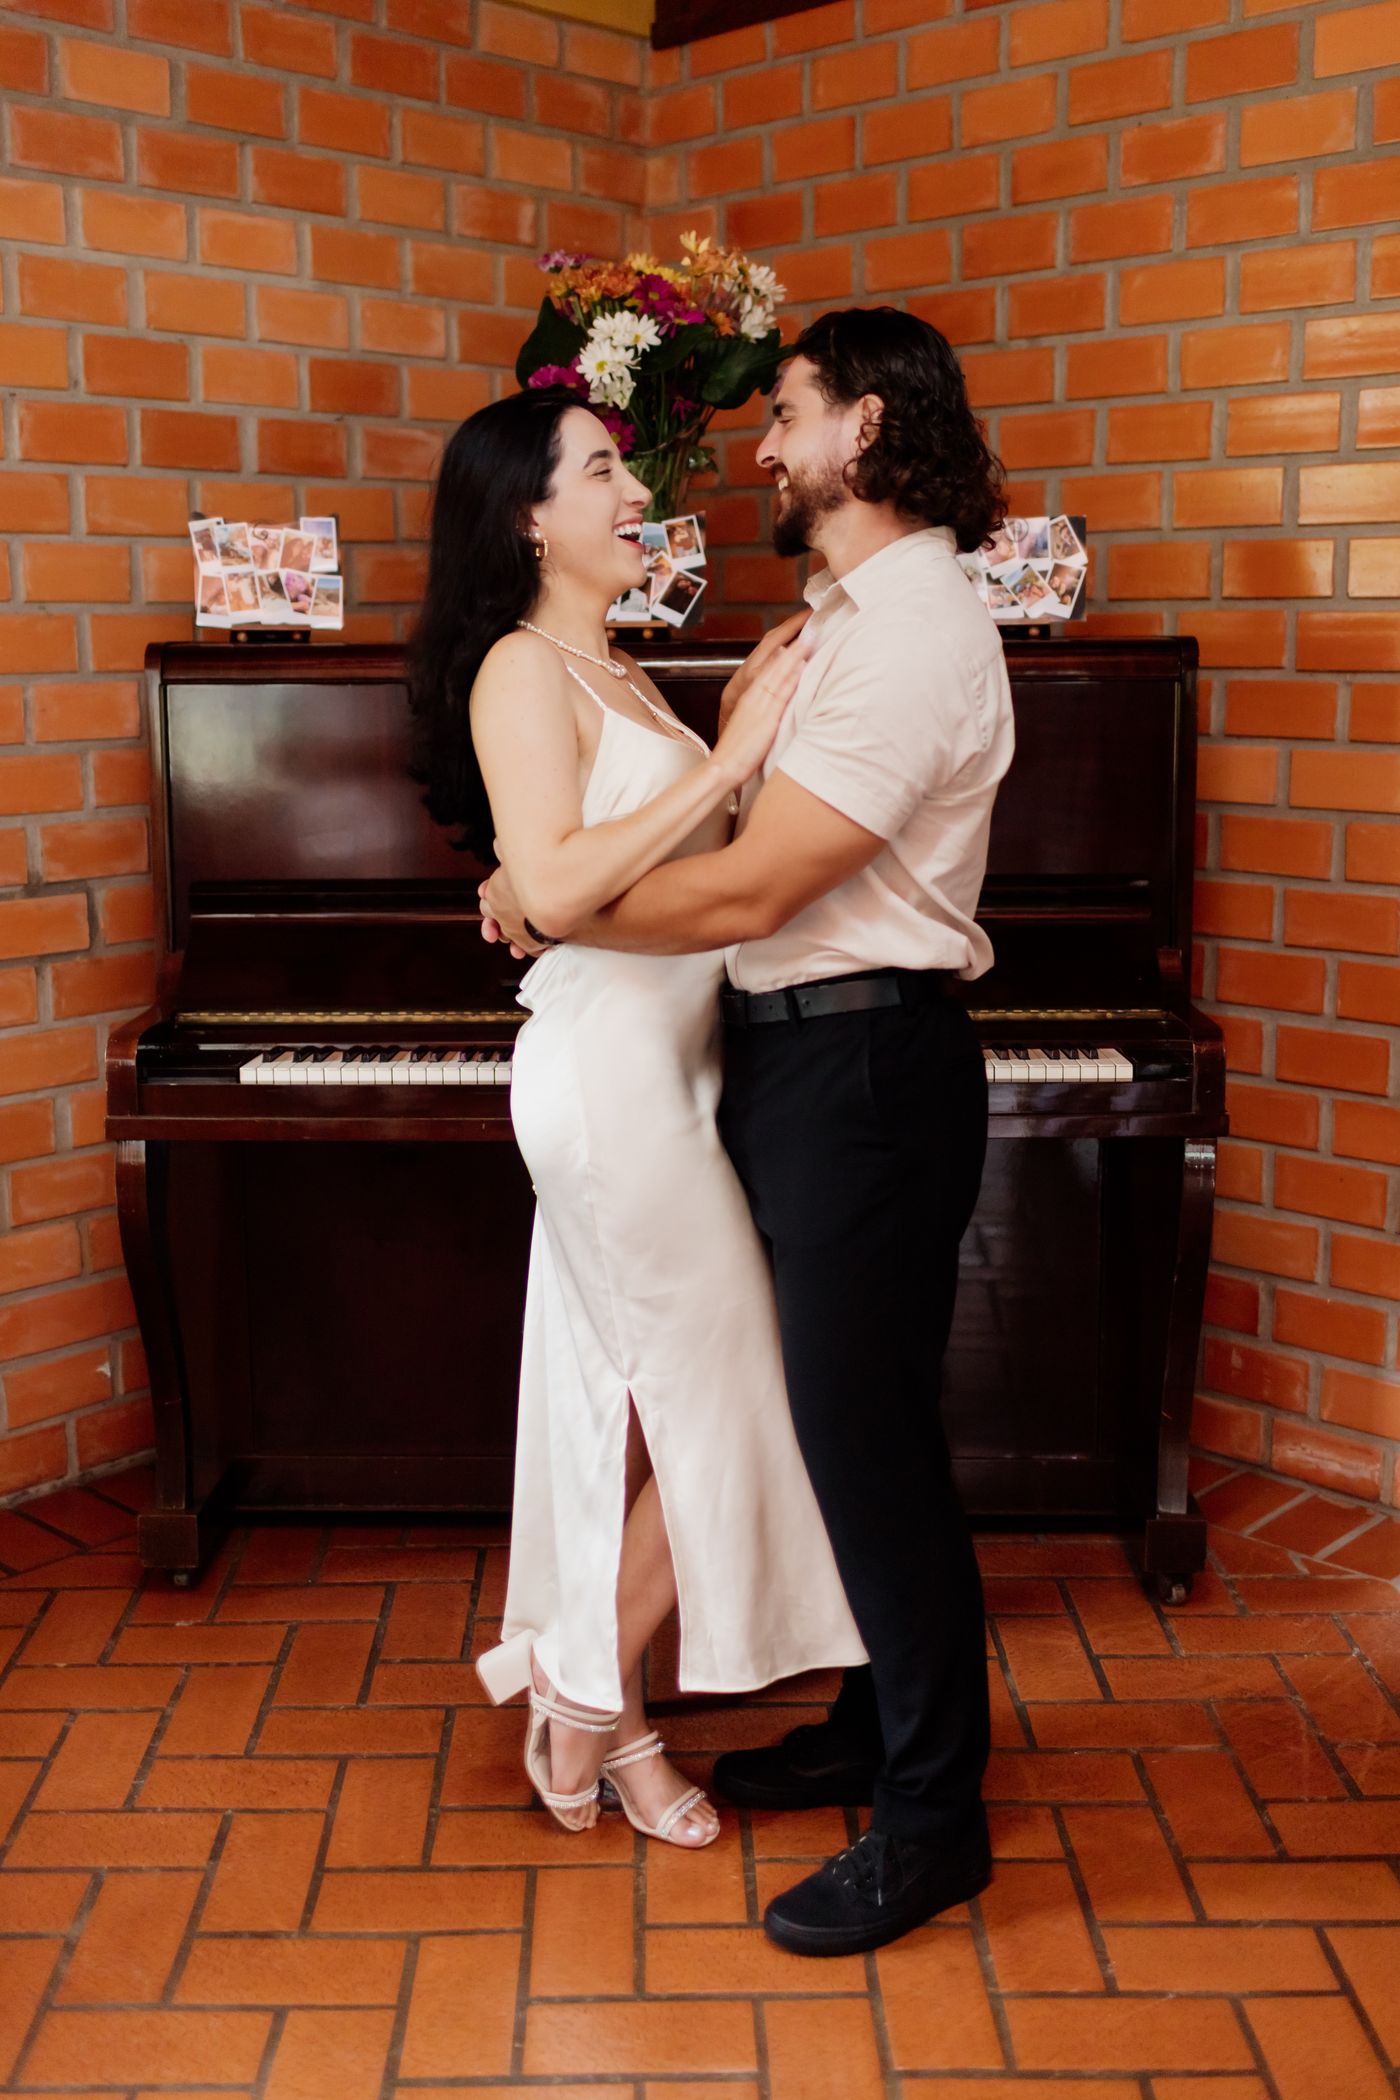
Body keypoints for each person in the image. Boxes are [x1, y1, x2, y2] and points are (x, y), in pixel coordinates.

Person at [482, 306, 1014, 1955]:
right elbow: (710, 846)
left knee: (869, 1445)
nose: (764, 448)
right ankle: (867, 1725)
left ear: (868, 428)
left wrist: (548, 903)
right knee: (838, 1426)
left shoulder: (911, 630)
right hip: (786, 1066)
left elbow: (755, 889)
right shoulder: (838, 618)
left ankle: (932, 1820)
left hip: (861, 1070)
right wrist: (550, 876)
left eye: (787, 413)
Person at [408, 388, 867, 1855]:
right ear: (528, 518)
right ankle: (583, 1692)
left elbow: (646, 876)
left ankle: (606, 1714)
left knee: (630, 1413)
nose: (634, 495)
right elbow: (555, 883)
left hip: (677, 1074)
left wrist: (724, 737)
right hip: (609, 1085)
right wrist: (728, 767)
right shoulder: (517, 667)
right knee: (740, 1386)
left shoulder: (619, 669)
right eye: (601, 471)